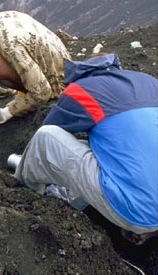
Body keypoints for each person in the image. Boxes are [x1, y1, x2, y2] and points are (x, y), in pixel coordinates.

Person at [13, 54, 158, 245]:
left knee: (46, 138)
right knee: (114, 150)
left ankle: (22, 191)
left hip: (139, 212)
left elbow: (52, 131)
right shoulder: (148, 82)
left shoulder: (80, 90)